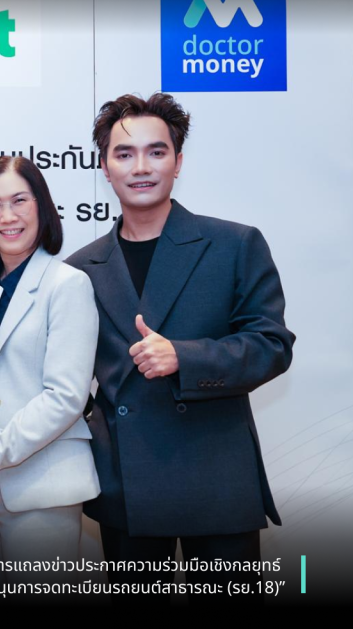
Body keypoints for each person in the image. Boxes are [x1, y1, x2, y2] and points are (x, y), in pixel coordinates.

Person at [65, 93, 295, 604]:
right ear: (104, 167)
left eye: (156, 152)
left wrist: (184, 357)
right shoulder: (80, 269)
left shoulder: (233, 244)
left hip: (216, 477)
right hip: (126, 482)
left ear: (178, 161)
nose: (141, 167)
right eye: (124, 154)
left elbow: (272, 345)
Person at [0, 156, 100, 584]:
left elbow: (65, 397)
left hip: (39, 484)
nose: (7, 216)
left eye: (19, 201)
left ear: (41, 207)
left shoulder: (67, 285)